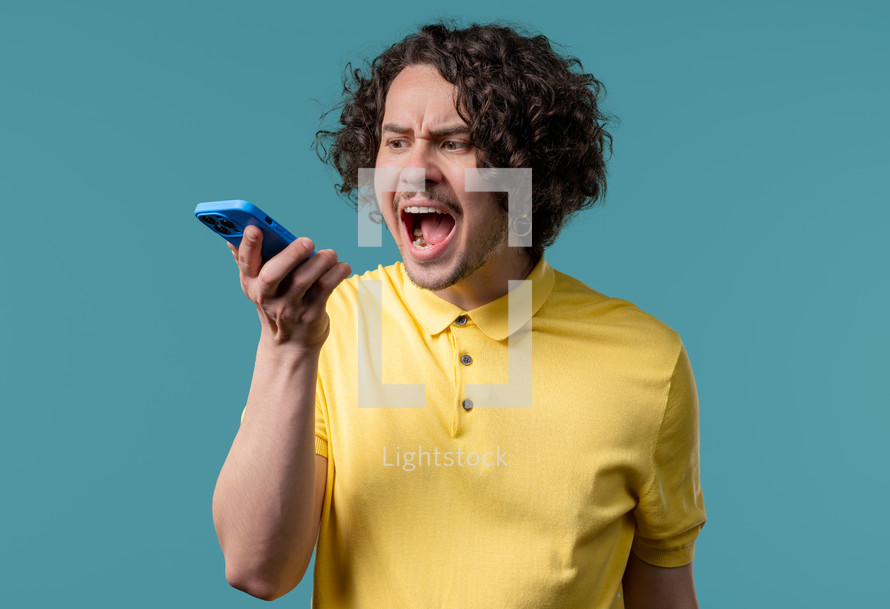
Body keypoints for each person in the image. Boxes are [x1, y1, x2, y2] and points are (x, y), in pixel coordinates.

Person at [212, 22, 706, 608]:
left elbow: (665, 595)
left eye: (454, 142)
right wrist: (288, 349)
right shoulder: (328, 323)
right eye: (396, 142)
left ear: (527, 172)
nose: (413, 170)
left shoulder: (647, 359)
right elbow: (256, 569)